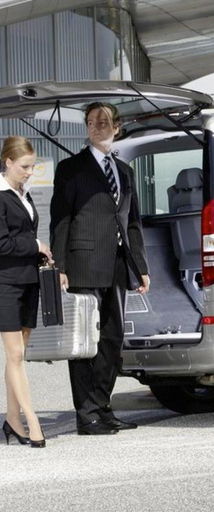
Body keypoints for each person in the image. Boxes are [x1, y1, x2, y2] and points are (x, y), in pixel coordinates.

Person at [50, 102, 150, 435]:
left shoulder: (125, 171)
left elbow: (131, 223)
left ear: (117, 127)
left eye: (103, 122)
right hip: (82, 263)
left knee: (111, 339)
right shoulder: (70, 168)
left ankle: (103, 407)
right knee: (85, 342)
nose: (96, 127)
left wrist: (141, 267)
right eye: (91, 122)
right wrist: (59, 266)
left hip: (118, 265)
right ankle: (86, 414)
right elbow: (61, 220)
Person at [0, 136, 54, 448]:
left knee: (16, 358)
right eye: (25, 166)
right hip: (5, 283)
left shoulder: (23, 193)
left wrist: (43, 255)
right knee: (15, 355)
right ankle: (31, 420)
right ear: (7, 162)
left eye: (32, 166)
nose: (30, 172)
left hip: (29, 280)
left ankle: (11, 418)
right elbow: (3, 244)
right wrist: (35, 245)